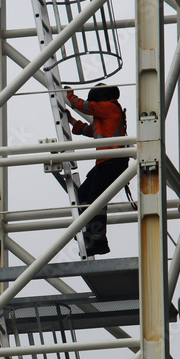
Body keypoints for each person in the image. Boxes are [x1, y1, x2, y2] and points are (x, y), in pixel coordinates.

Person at [64, 84, 128, 256]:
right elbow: (91, 131)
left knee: (96, 200)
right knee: (84, 193)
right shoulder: (105, 116)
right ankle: (90, 231)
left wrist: (69, 96)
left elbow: (85, 106)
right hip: (106, 162)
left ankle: (99, 239)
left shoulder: (109, 107)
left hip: (113, 162)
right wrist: (71, 121)